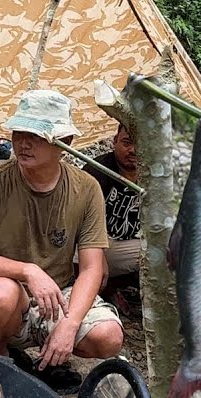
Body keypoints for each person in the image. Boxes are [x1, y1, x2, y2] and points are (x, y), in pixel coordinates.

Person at [0, 89, 124, 384]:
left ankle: (47, 361)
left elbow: (92, 267)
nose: (23, 143)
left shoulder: (85, 188)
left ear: (65, 142)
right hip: (1, 293)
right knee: (1, 295)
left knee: (108, 337)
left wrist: (71, 323)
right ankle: (1, 359)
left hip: (57, 295)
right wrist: (28, 270)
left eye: (36, 135)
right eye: (19, 132)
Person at [84, 123, 142, 299]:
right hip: (92, 243)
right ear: (114, 141)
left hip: (130, 244)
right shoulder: (96, 171)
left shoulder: (157, 175)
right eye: (126, 143)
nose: (133, 150)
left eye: (140, 144)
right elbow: (77, 223)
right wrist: (98, 254)